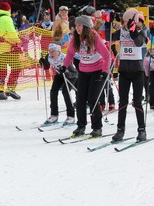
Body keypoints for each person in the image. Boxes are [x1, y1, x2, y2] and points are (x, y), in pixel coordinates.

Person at [60, 15, 110, 137]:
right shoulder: (76, 38)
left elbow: (107, 55)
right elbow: (70, 54)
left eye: (79, 25)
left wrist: (105, 71)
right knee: (80, 100)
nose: (77, 28)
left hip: (97, 71)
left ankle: (97, 127)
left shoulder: (95, 38)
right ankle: (81, 126)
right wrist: (64, 66)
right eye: (76, 25)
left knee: (93, 99)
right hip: (83, 71)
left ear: (86, 26)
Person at [111, 8, 147, 142]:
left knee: (137, 102)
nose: (125, 23)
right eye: (124, 21)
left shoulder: (141, 31)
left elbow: (139, 44)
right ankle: (120, 130)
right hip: (124, 71)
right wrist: (108, 24)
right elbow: (108, 38)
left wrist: (133, 32)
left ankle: (142, 130)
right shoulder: (121, 32)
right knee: (123, 102)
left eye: (128, 21)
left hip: (137, 71)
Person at [39, 42, 77, 125]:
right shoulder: (48, 57)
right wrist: (42, 62)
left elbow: (73, 72)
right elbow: (46, 67)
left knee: (65, 92)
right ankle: (54, 115)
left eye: (53, 51)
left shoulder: (64, 58)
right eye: (49, 51)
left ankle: (71, 116)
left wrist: (66, 73)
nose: (51, 53)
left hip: (70, 76)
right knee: (53, 92)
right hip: (60, 75)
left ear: (58, 51)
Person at [0, 1, 22, 100]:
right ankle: (10, 88)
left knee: (0, 70)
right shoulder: (6, 18)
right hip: (7, 48)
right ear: (8, 9)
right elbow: (12, 33)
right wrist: (17, 41)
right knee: (17, 66)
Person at [143, 44, 154, 110]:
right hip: (151, 73)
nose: (152, 51)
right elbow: (145, 66)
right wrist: (147, 75)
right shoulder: (147, 57)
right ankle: (152, 102)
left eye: (153, 49)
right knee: (151, 88)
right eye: (150, 49)